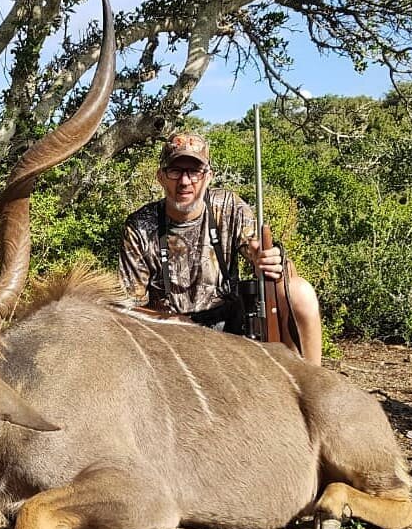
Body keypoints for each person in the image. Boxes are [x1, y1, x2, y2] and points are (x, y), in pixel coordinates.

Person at [118, 130, 323, 366]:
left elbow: (273, 265)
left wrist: (269, 261)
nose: (185, 181)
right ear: (161, 177)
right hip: (171, 335)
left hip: (228, 328)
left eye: (194, 171)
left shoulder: (228, 207)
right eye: (175, 171)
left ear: (208, 176)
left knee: (299, 291)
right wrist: (174, 321)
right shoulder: (140, 226)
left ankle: (312, 382)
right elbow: (129, 309)